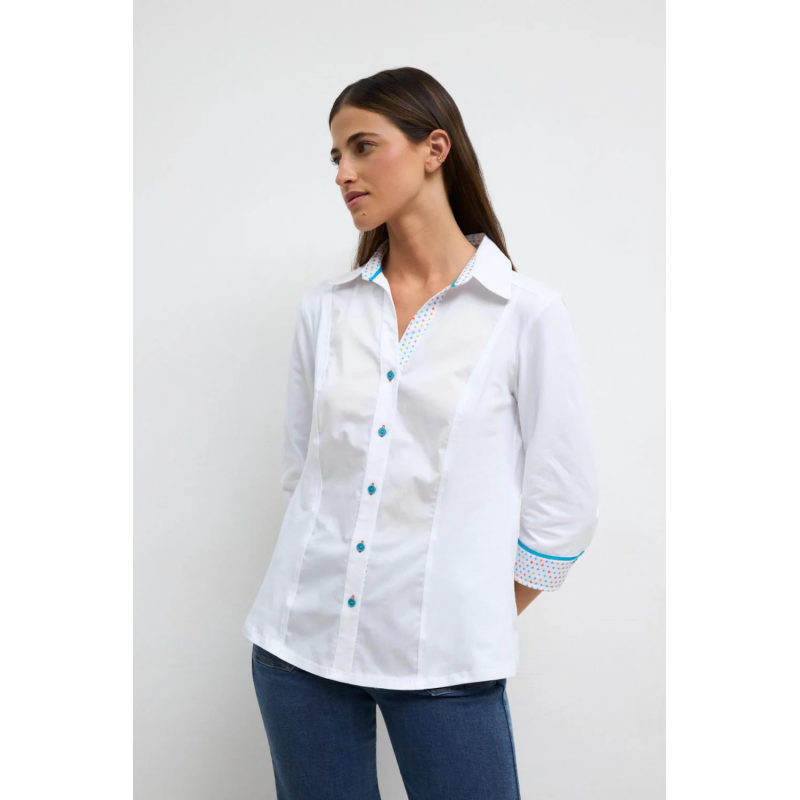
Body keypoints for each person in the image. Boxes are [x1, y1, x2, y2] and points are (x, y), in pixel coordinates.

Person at [242, 66, 600, 800]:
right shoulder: (326, 311)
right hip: (298, 649)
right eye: (335, 156)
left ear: (435, 149)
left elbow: (565, 506)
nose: (343, 173)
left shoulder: (525, 315)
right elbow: (304, 475)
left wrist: (474, 609)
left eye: (363, 147)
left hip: (445, 664)